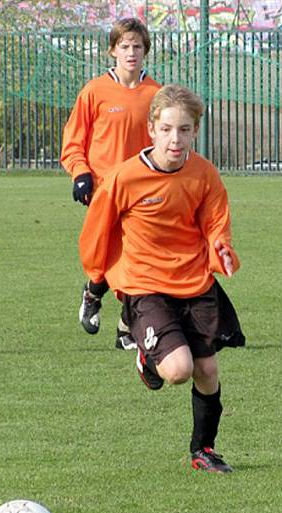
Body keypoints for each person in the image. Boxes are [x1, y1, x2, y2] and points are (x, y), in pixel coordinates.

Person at [79, 84, 245, 474]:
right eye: (167, 128)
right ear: (152, 128)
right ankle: (147, 355)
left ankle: (203, 450)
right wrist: (95, 284)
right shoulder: (124, 178)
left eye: (184, 130)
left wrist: (221, 249)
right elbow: (97, 233)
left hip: (195, 282)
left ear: (195, 131)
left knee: (207, 371)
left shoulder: (204, 174)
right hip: (146, 286)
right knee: (178, 370)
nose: (175, 139)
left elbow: (216, 223)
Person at [61, 17, 161, 351]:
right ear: (112, 51)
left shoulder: (157, 94)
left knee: (139, 259)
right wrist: (80, 174)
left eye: (137, 46)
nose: (131, 52)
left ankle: (125, 328)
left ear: (145, 51)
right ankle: (93, 294)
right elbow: (73, 142)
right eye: (125, 46)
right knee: (106, 257)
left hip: (143, 193)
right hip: (104, 190)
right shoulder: (95, 91)